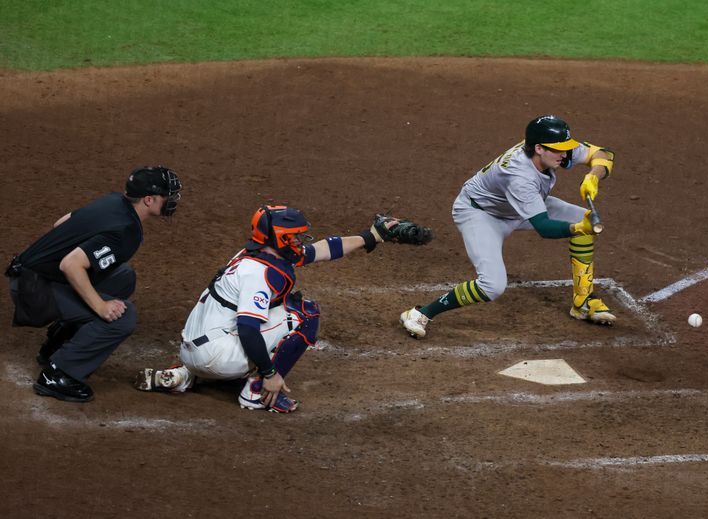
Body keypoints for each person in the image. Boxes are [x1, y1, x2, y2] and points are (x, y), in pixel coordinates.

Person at [135, 206, 405, 413]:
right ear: (281, 238)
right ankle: (255, 392)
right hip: (217, 357)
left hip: (191, 350)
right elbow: (248, 330)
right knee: (306, 313)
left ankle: (184, 375)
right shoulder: (261, 273)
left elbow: (322, 249)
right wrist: (270, 374)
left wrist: (372, 236)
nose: (301, 240)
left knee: (251, 313)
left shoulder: (253, 254)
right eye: (296, 236)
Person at [400, 115, 616, 338]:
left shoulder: (550, 149)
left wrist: (594, 175)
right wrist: (579, 228)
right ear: (539, 148)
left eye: (566, 148)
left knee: (581, 216)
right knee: (492, 286)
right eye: (559, 149)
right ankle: (419, 314)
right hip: (481, 214)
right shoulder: (519, 176)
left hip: (517, 206)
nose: (565, 154)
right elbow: (544, 227)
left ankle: (583, 302)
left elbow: (603, 154)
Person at [5, 166, 182, 402]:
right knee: (123, 317)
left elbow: (62, 223)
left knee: (123, 276)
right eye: (166, 196)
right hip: (33, 290)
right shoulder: (126, 231)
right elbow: (70, 265)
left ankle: (60, 341)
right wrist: (100, 306)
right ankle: (58, 374)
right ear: (149, 200)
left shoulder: (114, 201)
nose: (172, 200)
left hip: (31, 275)